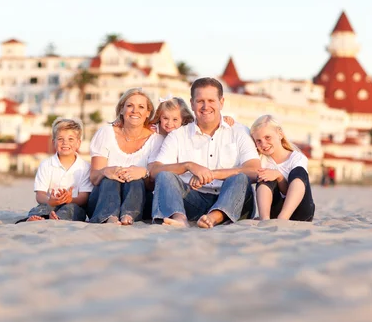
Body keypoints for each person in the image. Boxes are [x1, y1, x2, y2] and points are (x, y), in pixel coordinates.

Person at [150, 77, 261, 228]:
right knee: (164, 175)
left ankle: (215, 217)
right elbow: (155, 170)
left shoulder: (239, 131)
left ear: (221, 102)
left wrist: (212, 174)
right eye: (200, 101)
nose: (205, 106)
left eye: (211, 101)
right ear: (192, 103)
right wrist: (188, 165)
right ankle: (179, 219)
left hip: (234, 201)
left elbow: (254, 171)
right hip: (193, 201)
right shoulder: (178, 135)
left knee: (240, 177)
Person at [88, 88, 164, 225]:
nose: (135, 111)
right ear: (122, 110)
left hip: (138, 201)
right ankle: (109, 216)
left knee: (136, 178)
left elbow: (152, 185)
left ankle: (128, 216)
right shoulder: (106, 133)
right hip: (102, 200)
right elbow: (93, 177)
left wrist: (143, 173)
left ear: (148, 113)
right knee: (110, 179)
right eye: (129, 106)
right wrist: (106, 171)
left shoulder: (156, 140)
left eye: (141, 107)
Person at [16, 118, 93, 223]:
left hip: (74, 205)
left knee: (72, 209)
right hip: (51, 204)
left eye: (71, 139)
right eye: (60, 139)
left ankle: (55, 218)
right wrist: (50, 201)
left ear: (78, 143)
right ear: (54, 142)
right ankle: (38, 218)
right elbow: (40, 194)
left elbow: (84, 197)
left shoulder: (85, 167)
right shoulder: (46, 164)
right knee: (41, 208)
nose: (65, 143)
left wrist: (70, 199)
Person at [250, 114, 315, 221]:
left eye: (267, 137)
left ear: (280, 134)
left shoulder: (296, 158)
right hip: (274, 213)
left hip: (301, 211)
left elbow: (287, 191)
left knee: (299, 172)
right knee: (264, 176)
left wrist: (279, 176)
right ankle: (264, 218)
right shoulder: (260, 160)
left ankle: (283, 218)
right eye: (258, 141)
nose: (264, 144)